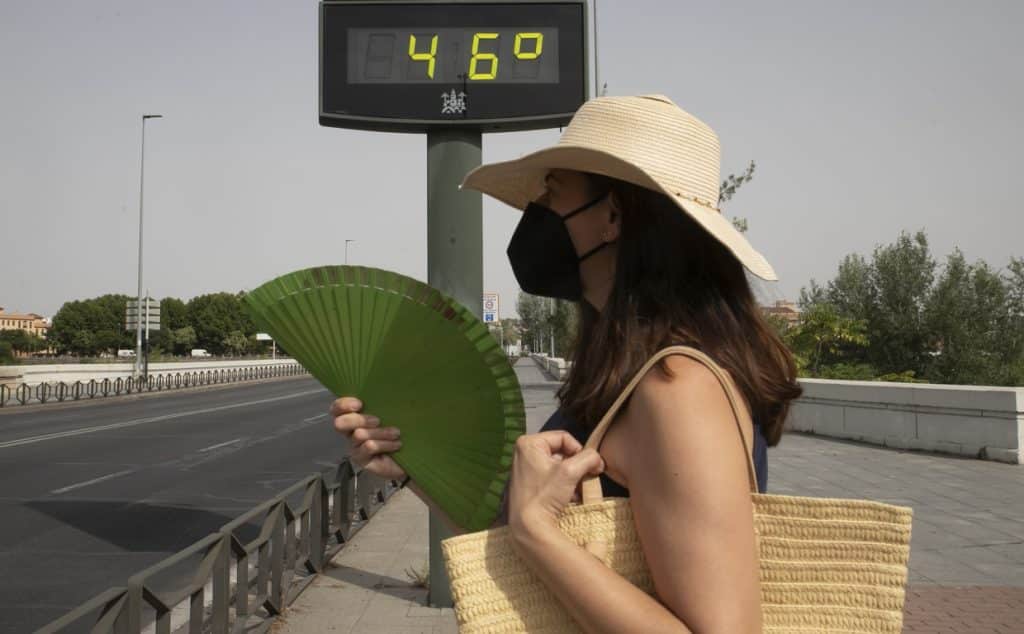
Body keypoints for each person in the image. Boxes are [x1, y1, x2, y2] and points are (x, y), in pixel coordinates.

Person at [331, 94, 803, 632]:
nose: (536, 216)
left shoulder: (680, 389)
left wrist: (536, 528)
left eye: (552, 195)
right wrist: (414, 466)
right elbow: (533, 547)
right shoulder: (630, 375)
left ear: (613, 215)